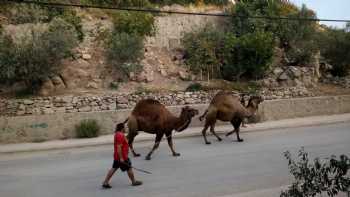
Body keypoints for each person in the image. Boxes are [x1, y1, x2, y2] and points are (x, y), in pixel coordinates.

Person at [102, 123, 142, 189]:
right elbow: (119, 147)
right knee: (129, 168)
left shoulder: (118, 134)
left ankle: (105, 182)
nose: (126, 128)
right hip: (122, 157)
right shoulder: (120, 135)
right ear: (122, 128)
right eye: (125, 127)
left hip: (118, 156)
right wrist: (121, 158)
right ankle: (134, 181)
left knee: (114, 168)